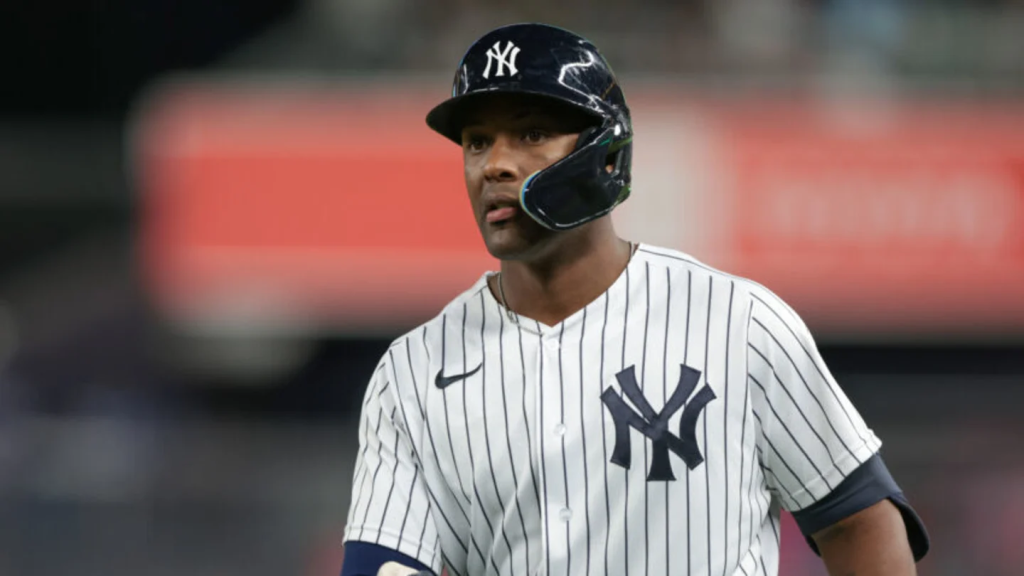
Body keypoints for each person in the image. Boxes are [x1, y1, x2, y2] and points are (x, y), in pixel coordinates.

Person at [340, 22, 929, 576]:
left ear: (604, 151)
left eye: (532, 134)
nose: (494, 165)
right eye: (476, 142)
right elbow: (382, 565)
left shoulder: (738, 323)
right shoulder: (413, 373)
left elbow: (858, 520)